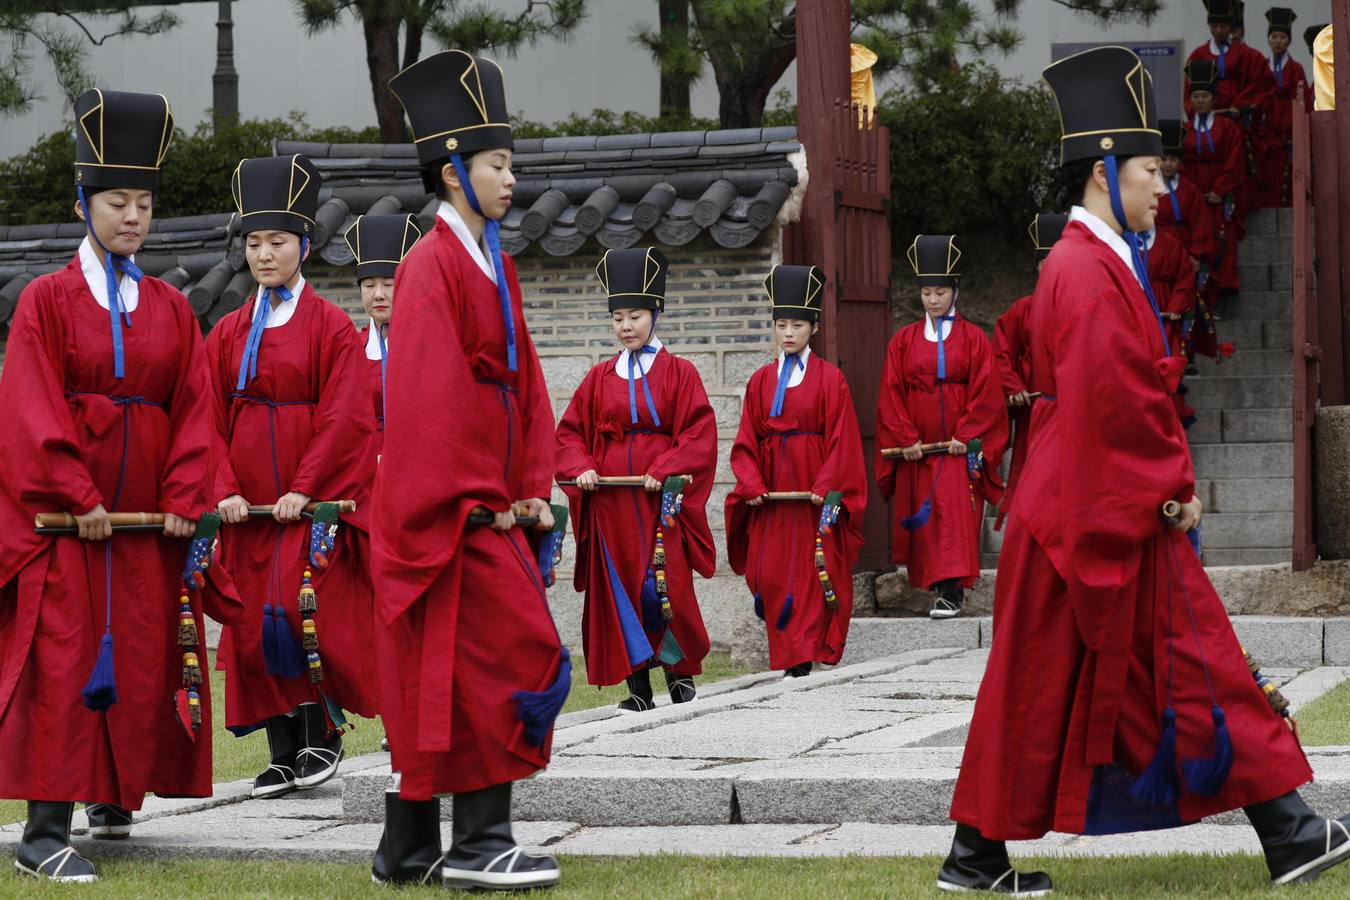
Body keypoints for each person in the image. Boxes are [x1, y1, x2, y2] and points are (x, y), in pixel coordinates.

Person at [940, 46, 1345, 895]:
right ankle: (1294, 831)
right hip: (1101, 505)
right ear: (1104, 171)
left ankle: (975, 858)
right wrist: (1171, 491)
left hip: (1072, 503)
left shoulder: (1086, 262)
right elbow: (1112, 403)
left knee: (1038, 682)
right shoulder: (1087, 271)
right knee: (1198, 663)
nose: (1166, 190)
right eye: (1154, 172)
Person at [0, 90, 234, 882]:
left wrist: (181, 499)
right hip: (73, 526)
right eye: (115, 201)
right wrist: (78, 497)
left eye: (142, 202)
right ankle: (41, 831)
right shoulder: (47, 301)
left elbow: (196, 412)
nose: (132, 216)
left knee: (136, 658)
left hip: (145, 529)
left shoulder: (170, 307)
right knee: (65, 661)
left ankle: (112, 799)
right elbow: (30, 408)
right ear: (82, 203)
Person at [371, 49, 567, 890]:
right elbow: (430, 397)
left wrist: (531, 486)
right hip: (452, 500)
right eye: (497, 165)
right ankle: (481, 842)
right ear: (454, 172)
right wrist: (480, 499)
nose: (510, 180)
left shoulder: (496, 261)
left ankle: (408, 849)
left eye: (512, 165)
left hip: (493, 496)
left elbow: (522, 383)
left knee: (455, 666)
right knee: (506, 655)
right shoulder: (429, 266)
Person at [207, 154, 378, 799]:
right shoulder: (226, 332)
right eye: (253, 243)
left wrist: (306, 488)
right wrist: (222, 485)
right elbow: (206, 418)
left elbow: (344, 418)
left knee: (303, 613)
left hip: (302, 506)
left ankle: (321, 736)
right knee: (253, 625)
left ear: (303, 246)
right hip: (245, 509)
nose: (264, 255)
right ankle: (282, 748)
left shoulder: (332, 329)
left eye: (277, 242)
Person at [555, 247, 717, 713]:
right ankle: (638, 689)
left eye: (636, 316)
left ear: (656, 313)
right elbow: (568, 435)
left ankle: (679, 675)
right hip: (610, 507)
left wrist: (663, 471)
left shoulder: (680, 373)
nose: (626, 326)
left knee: (665, 586)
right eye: (619, 317)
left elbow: (698, 434)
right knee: (620, 592)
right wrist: (581, 468)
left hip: (657, 504)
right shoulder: (598, 377)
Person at [726, 265, 867, 677]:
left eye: (798, 325)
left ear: (814, 327)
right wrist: (750, 480)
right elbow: (746, 441)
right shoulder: (760, 381)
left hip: (811, 498)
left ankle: (800, 660)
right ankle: (790, 654)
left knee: (810, 572)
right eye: (781, 324)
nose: (788, 333)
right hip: (772, 501)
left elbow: (842, 439)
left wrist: (826, 483)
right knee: (770, 575)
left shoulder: (830, 380)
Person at [876, 236, 1008, 619]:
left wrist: (965, 437)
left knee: (954, 514)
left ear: (954, 291)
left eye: (941, 292)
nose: (933, 300)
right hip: (919, 449)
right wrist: (907, 439)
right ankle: (938, 587)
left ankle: (951, 592)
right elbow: (891, 392)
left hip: (956, 448)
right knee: (929, 518)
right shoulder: (903, 341)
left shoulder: (974, 340)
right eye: (927, 293)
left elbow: (986, 393)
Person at [992, 214, 1066, 531]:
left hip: (1071, 409)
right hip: (1033, 410)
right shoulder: (1023, 308)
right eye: (1042, 262)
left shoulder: (1081, 305)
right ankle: (1029, 529)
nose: (1048, 268)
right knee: (1030, 471)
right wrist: (1013, 387)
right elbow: (1000, 351)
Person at [346, 213, 422, 456]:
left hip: (416, 458)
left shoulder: (427, 345)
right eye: (368, 286)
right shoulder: (350, 346)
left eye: (389, 284)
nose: (378, 294)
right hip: (363, 463)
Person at [1184, 59, 1247, 303]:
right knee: (1199, 237)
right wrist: (1193, 193)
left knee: (1224, 235)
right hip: (1195, 191)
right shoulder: (1186, 129)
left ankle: (1225, 286)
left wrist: (1220, 190)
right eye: (1196, 96)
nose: (1200, 100)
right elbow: (1181, 163)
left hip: (1220, 189)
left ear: (1214, 99)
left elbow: (1235, 160)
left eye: (1205, 96)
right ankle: (1202, 290)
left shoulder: (1228, 127)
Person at [1254, 8, 1312, 207]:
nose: (1278, 41)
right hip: (1267, 129)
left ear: (1289, 41)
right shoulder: (1262, 65)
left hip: (1289, 128)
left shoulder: (1296, 68)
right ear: (1268, 40)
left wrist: (1290, 126)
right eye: (1274, 37)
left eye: (1282, 37)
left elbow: (1302, 99)